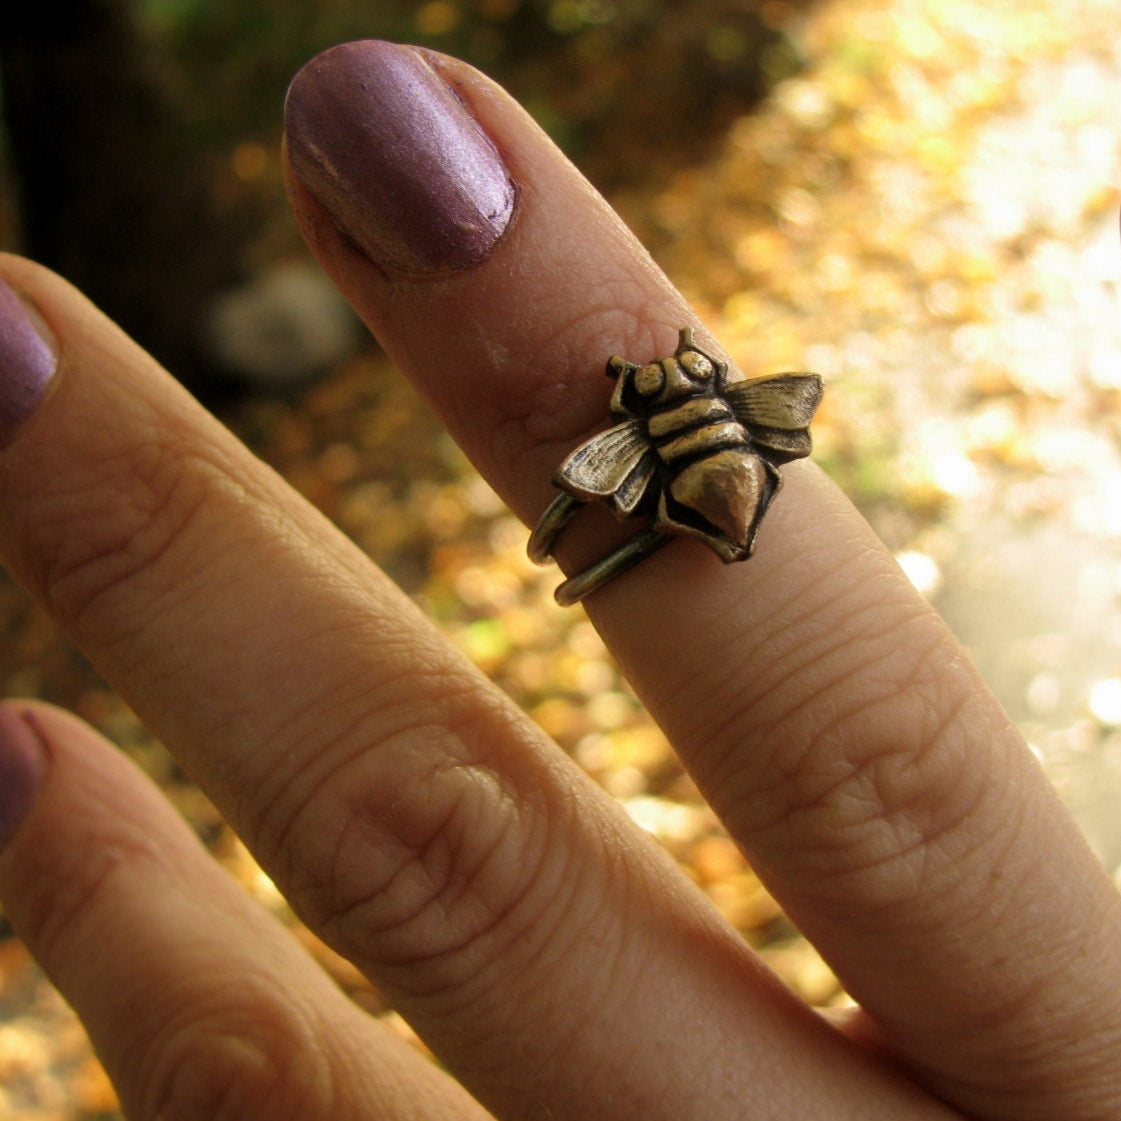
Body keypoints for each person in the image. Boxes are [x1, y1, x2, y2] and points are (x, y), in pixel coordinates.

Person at [0, 39, 1117, 1121]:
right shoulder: (679, 425)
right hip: (703, 473)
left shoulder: (651, 434)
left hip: (701, 481)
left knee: (879, 784)